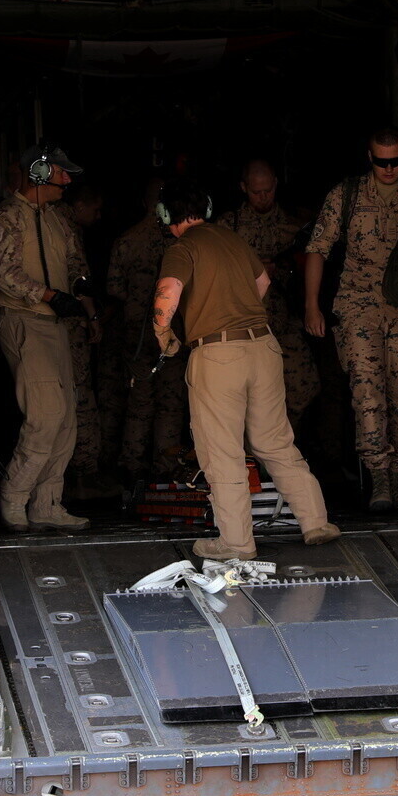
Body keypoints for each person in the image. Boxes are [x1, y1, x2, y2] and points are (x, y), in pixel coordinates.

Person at [151, 179, 340, 561]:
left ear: (167, 216)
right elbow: (263, 282)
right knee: (275, 441)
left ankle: (236, 542)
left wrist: (164, 335)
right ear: (205, 209)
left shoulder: (182, 248)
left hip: (218, 354)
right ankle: (316, 522)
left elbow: (167, 294)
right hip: (263, 346)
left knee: (222, 450)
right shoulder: (233, 239)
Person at [304, 128, 398, 512]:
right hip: (358, 306)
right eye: (381, 162)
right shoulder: (348, 195)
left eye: (396, 161)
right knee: (367, 393)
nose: (389, 169)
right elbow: (317, 248)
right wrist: (311, 305)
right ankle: (379, 478)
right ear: (369, 158)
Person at [0, 144, 94, 532]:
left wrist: (80, 290)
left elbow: (75, 263)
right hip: (26, 321)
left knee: (67, 420)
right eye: (61, 172)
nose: (68, 179)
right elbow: (3, 274)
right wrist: (47, 295)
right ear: (39, 173)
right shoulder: (8, 217)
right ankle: (15, 496)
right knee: (45, 415)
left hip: (56, 325)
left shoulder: (56, 218)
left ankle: (47, 504)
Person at [221, 159, 320, 428]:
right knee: (244, 396)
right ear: (244, 187)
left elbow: (314, 264)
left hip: (284, 322)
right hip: (244, 327)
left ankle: (279, 441)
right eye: (256, 192)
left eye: (268, 190)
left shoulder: (295, 225)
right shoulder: (228, 227)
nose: (263, 197)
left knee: (304, 386)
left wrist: (286, 269)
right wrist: (250, 271)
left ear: (276, 184)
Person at [100, 179, 187, 479]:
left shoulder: (127, 239)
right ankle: (166, 465)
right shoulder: (180, 240)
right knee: (170, 403)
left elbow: (113, 287)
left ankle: (132, 466)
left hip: (136, 333)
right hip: (172, 332)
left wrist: (137, 300)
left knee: (139, 400)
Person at [56, 183, 114, 498]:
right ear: (79, 206)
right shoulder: (65, 227)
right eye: (95, 209)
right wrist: (93, 316)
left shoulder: (48, 220)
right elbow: (79, 279)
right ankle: (84, 476)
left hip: (51, 326)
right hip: (68, 324)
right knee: (80, 397)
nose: (98, 216)